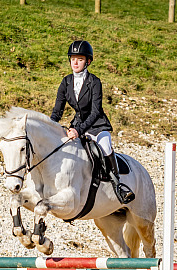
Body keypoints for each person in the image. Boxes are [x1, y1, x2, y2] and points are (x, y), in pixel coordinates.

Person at [50, 40, 135, 204]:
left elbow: (96, 111)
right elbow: (57, 111)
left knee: (105, 146)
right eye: (73, 58)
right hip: (77, 125)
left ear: (87, 61)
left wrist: (79, 130)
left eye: (80, 59)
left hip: (97, 126)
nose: (75, 62)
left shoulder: (94, 82)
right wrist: (49, 126)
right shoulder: (66, 82)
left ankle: (118, 185)